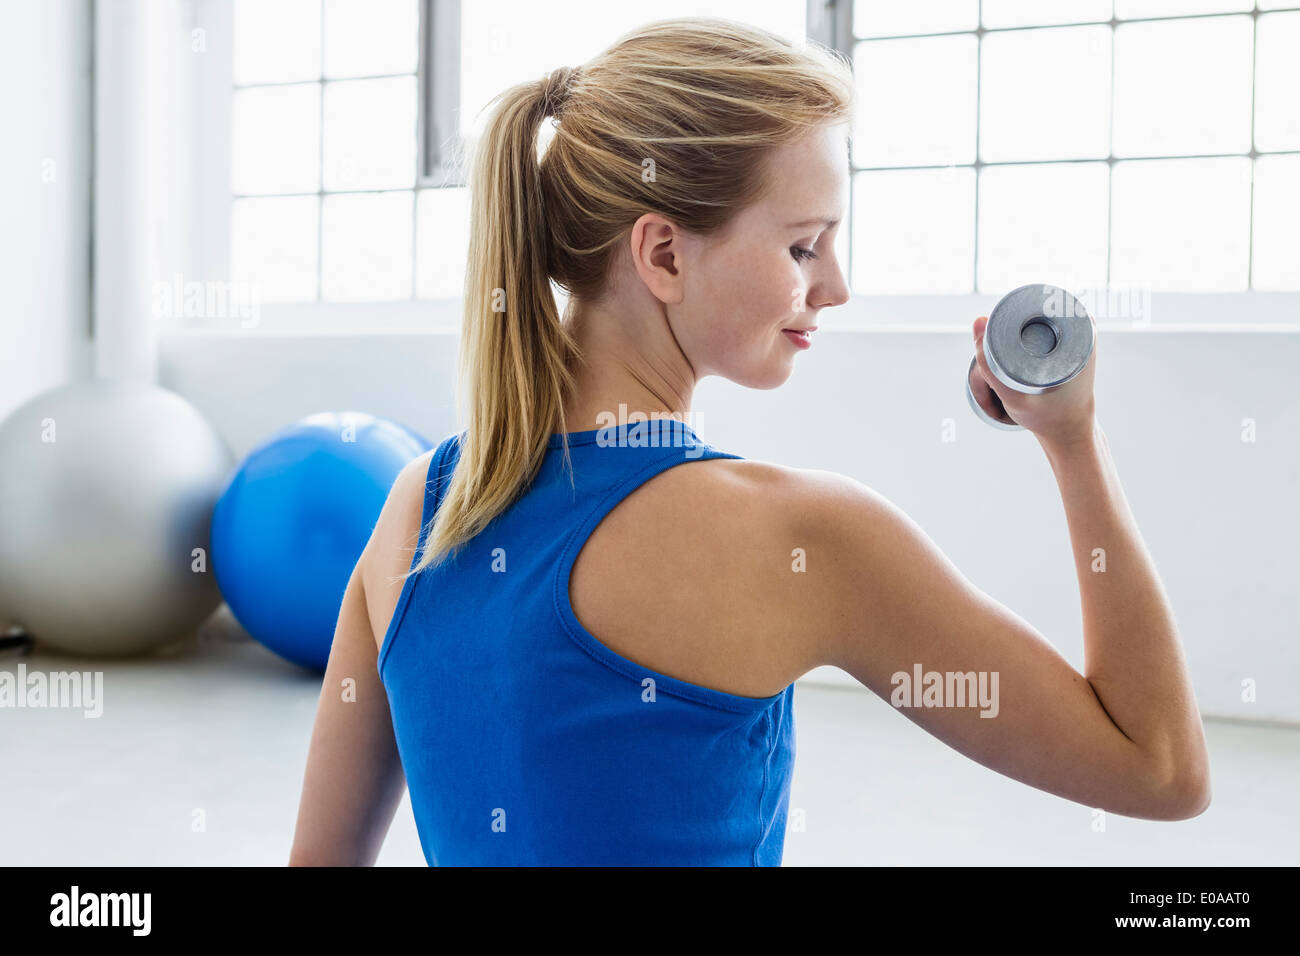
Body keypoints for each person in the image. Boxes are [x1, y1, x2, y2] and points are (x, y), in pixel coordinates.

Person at [289, 17, 1210, 866]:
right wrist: (1073, 439)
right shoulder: (798, 538)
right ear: (662, 255)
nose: (836, 286)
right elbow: (1160, 769)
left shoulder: (419, 502)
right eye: (805, 246)